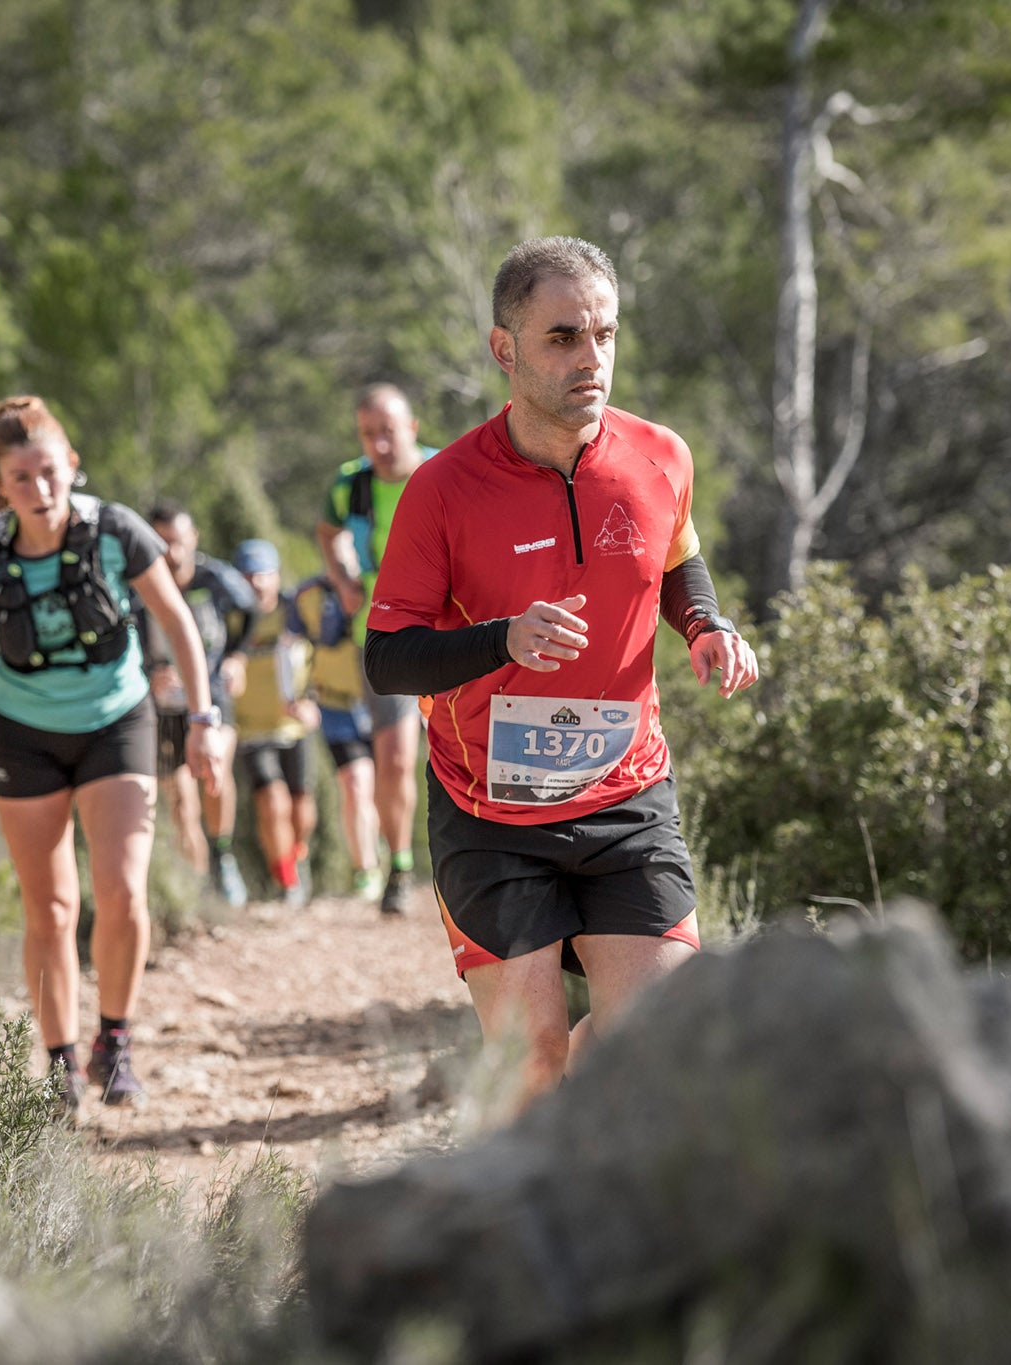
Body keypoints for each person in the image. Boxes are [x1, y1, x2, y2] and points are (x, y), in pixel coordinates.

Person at [363, 236, 758, 1114]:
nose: (593, 359)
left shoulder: (660, 455)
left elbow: (676, 555)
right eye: (564, 337)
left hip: (626, 796)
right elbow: (387, 657)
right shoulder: (442, 488)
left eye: (606, 335)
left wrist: (705, 625)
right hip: (490, 812)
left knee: (660, 1039)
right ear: (505, 350)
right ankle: (528, 1220)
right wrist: (503, 639)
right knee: (535, 1062)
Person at [0, 397, 230, 1108]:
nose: (40, 491)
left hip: (116, 721)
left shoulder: (116, 532)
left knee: (125, 891)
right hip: (21, 733)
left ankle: (115, 1040)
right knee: (52, 910)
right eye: (21, 478)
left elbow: (176, 621)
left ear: (72, 465)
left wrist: (203, 718)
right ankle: (61, 1060)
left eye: (49, 472)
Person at [317, 384, 434, 914]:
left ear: (411, 427)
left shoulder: (443, 472)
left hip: (453, 634)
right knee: (395, 757)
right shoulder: (351, 485)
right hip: (383, 636)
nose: (379, 445)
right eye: (368, 434)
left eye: (387, 431)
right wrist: (343, 579)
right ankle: (400, 868)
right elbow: (327, 529)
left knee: (470, 749)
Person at [144, 504, 257, 906]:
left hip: (212, 694)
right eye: (162, 543)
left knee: (215, 768)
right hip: (163, 704)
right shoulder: (139, 582)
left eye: (178, 541)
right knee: (180, 800)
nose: (171, 553)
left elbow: (251, 609)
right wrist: (151, 670)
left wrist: (237, 658)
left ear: (193, 539)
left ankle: (223, 854)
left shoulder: (216, 578)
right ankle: (196, 891)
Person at [227, 539, 319, 905]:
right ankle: (287, 883)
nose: (255, 583)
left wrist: (312, 700)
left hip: (294, 725)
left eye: (262, 574)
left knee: (301, 806)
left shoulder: (295, 611)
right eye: (247, 576)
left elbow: (320, 655)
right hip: (251, 727)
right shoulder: (232, 618)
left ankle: (297, 854)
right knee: (272, 801)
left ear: (276, 575)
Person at [293, 572, 383, 899]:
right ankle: (366, 870)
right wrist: (296, 695)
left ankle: (381, 849)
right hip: (335, 707)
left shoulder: (383, 583)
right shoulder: (309, 595)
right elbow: (291, 644)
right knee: (355, 784)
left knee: (378, 791)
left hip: (380, 705)